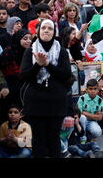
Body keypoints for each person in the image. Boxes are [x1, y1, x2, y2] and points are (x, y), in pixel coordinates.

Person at [19, 19, 72, 158]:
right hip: (36, 104)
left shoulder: (61, 51)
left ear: (54, 32)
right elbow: (24, 75)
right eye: (43, 28)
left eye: (50, 28)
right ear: (38, 31)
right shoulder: (30, 50)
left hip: (56, 103)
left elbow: (65, 75)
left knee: (54, 139)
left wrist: (48, 64)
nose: (46, 30)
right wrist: (38, 64)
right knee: (38, 140)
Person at [0, 29, 32, 112]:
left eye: (30, 38)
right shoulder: (8, 53)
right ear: (18, 39)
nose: (28, 41)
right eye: (25, 38)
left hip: (25, 91)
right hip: (10, 91)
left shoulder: (30, 53)